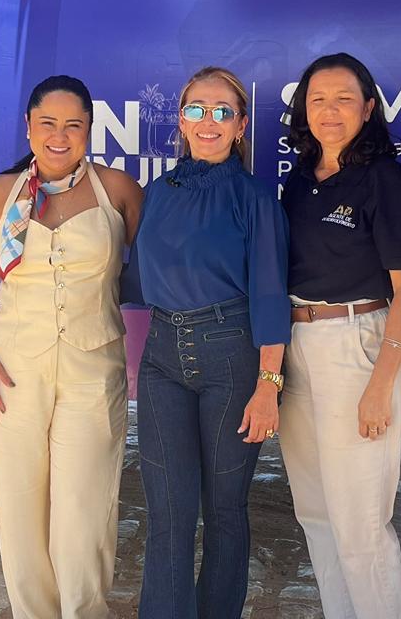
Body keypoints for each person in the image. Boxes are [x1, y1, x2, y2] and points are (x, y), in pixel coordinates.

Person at [0, 75, 143, 619]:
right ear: (29, 127)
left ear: (89, 129)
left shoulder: (118, 190)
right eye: (48, 123)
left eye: (73, 125)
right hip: (14, 370)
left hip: (94, 370)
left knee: (84, 508)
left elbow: (153, 264)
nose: (59, 136)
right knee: (19, 504)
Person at [130, 66, 290, 618]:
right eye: (197, 109)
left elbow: (271, 294)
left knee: (224, 509)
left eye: (223, 111)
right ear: (181, 120)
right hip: (162, 357)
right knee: (168, 513)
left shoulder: (255, 199)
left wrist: (268, 384)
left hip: (232, 357)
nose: (208, 121)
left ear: (240, 126)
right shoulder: (156, 193)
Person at [278, 53, 401, 619]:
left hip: (360, 343)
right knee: (316, 515)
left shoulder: (384, 180)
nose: (329, 111)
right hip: (299, 345)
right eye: (317, 100)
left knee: (360, 524)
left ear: (367, 108)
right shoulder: (300, 179)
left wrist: (380, 387)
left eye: (343, 99)